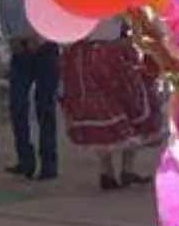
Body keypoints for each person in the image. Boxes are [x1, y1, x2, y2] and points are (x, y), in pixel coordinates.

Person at [59, 16, 163, 190]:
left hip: (87, 56)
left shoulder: (82, 1)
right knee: (129, 107)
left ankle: (107, 171)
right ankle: (124, 170)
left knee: (104, 109)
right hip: (113, 55)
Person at [0, 0, 60, 181]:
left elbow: (55, 17)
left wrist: (40, 38)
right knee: (17, 106)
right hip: (19, 51)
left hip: (45, 50)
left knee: (45, 106)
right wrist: (11, 40)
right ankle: (25, 158)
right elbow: (3, 18)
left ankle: (49, 162)